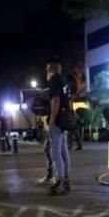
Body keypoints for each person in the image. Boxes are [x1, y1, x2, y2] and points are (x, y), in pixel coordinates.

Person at [46, 58, 71, 195]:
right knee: (64, 151)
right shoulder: (64, 81)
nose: (46, 72)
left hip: (58, 119)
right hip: (65, 119)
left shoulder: (54, 80)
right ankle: (66, 179)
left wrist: (53, 119)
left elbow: (56, 99)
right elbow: (68, 100)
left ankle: (60, 180)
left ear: (52, 69)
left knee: (55, 152)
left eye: (47, 69)